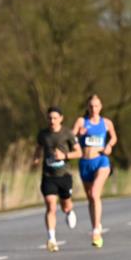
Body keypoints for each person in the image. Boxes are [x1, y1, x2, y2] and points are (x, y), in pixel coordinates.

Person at [71, 94, 117, 248]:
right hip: (85, 163)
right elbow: (70, 138)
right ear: (87, 107)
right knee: (90, 197)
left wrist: (109, 146)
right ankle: (95, 225)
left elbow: (114, 138)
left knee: (96, 193)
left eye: (96, 106)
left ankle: (96, 231)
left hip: (101, 161)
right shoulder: (81, 121)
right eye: (91, 106)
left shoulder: (106, 123)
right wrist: (79, 135)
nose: (93, 109)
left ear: (101, 107)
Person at [34, 106, 81, 252]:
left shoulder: (67, 133)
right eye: (49, 118)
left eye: (55, 118)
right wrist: (35, 159)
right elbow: (38, 149)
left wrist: (64, 156)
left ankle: (69, 211)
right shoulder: (43, 134)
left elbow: (78, 152)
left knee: (65, 205)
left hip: (64, 175)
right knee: (50, 206)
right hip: (48, 176)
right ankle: (51, 239)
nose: (52, 121)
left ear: (61, 118)